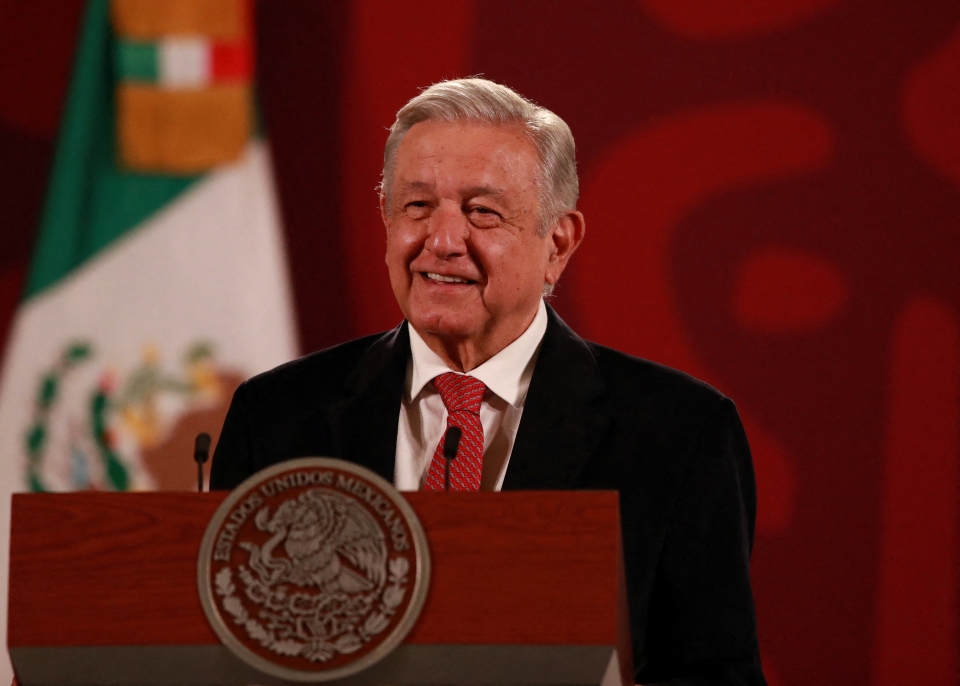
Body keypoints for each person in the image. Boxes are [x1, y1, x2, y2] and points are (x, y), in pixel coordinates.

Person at [210, 78, 766, 685]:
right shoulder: (276, 416)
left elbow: (715, 675)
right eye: (417, 207)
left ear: (558, 243)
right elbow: (226, 652)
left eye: (482, 212)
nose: (442, 242)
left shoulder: (679, 431)